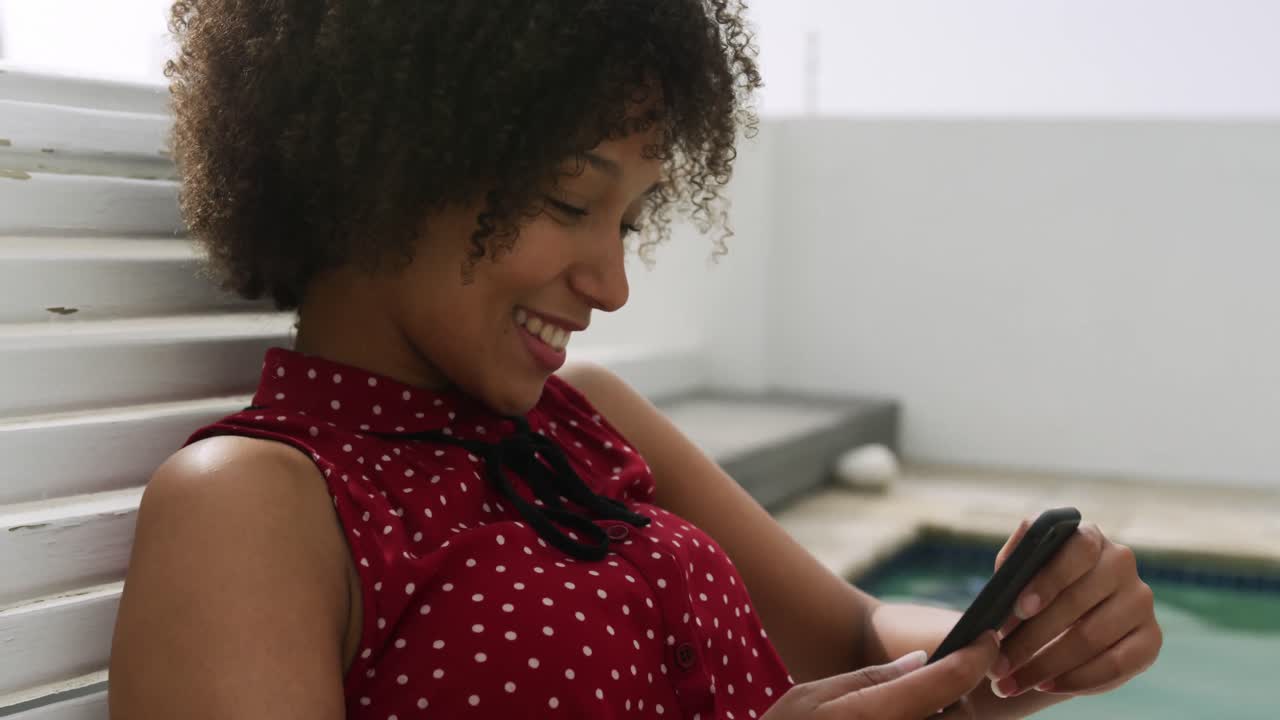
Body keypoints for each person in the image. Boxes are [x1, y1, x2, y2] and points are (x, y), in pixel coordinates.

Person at [107, 1, 1162, 718]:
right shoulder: (255, 502)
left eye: (631, 218)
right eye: (571, 200)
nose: (611, 285)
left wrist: (1027, 642)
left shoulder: (587, 417)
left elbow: (856, 635)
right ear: (385, 163)